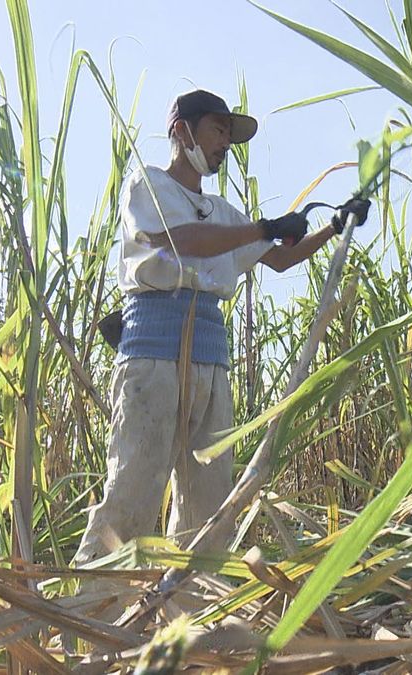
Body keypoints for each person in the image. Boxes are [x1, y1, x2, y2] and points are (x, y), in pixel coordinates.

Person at [73, 89, 368, 577]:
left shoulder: (222, 210)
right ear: (181, 131)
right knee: (133, 494)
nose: (224, 145)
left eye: (229, 137)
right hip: (154, 356)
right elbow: (182, 243)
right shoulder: (148, 187)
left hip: (210, 361)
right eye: (217, 130)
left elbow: (279, 258)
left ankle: (185, 623)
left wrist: (333, 227)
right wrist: (263, 227)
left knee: (207, 509)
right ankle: (92, 622)